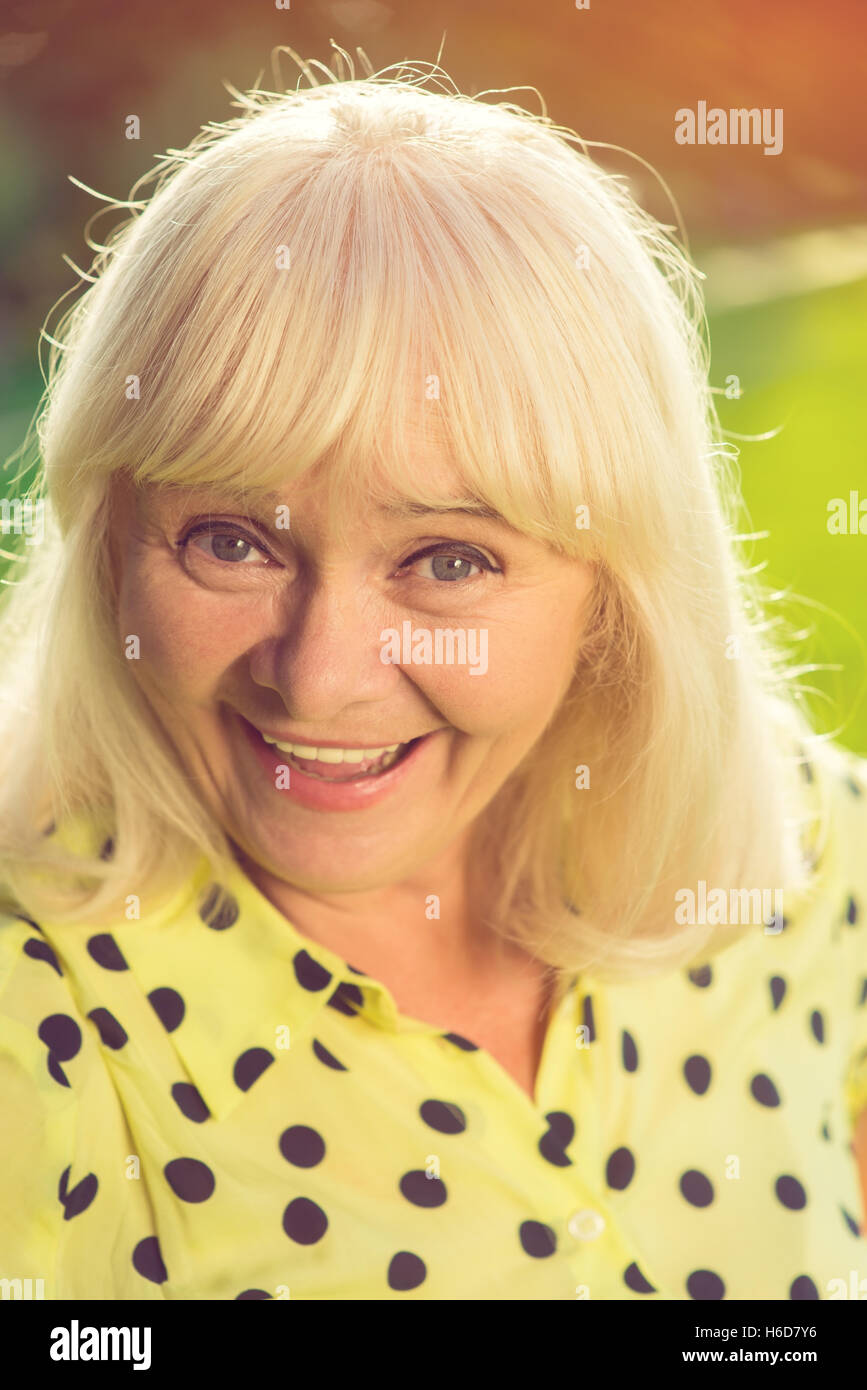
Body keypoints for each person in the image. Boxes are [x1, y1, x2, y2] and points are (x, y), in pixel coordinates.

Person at [0, 51, 865, 1301]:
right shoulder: (40, 1024)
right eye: (229, 541)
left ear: (612, 588)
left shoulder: (806, 856)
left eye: (447, 558)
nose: (318, 680)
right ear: (111, 546)